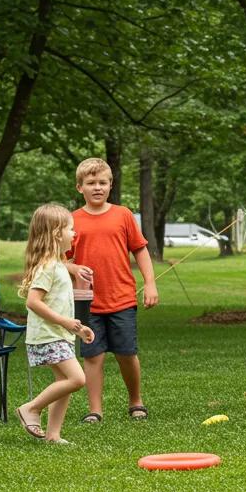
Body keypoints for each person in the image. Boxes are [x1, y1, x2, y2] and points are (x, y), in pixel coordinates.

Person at [69, 158, 158, 424]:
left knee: (126, 353)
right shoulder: (72, 220)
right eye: (91, 183)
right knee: (92, 355)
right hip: (86, 302)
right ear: (79, 187)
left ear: (111, 185)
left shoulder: (123, 215)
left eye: (102, 182)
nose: (97, 187)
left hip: (121, 298)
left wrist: (150, 282)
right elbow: (59, 259)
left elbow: (140, 250)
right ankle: (95, 410)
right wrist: (72, 269)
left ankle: (136, 401)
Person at [15, 204, 95, 444]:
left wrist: (78, 329)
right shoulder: (48, 267)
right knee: (77, 379)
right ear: (56, 233)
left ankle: (53, 435)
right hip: (48, 335)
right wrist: (65, 322)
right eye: (71, 229)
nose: (75, 234)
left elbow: (58, 304)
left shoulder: (58, 265)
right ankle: (31, 408)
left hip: (58, 334)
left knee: (65, 383)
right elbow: (33, 302)